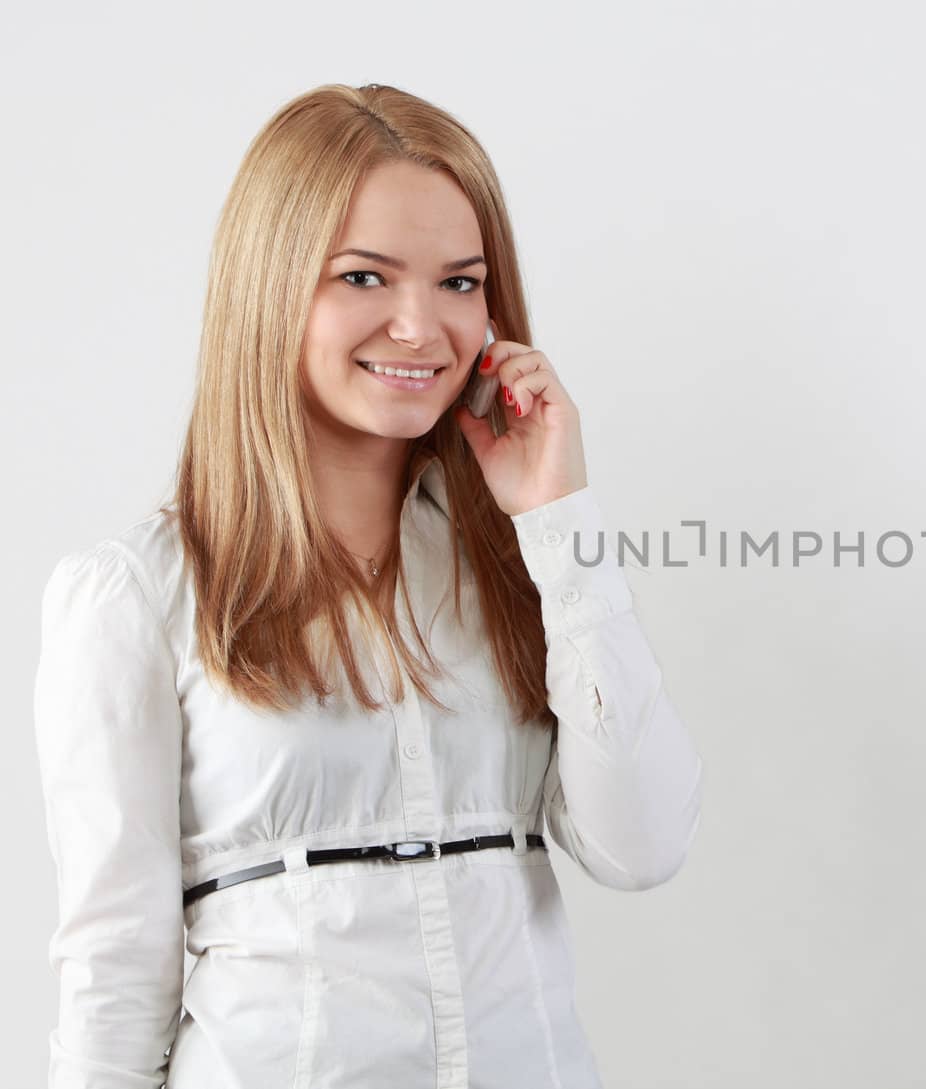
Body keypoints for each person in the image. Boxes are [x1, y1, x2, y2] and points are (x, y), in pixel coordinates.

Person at [33, 83, 702, 1089]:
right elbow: (111, 973)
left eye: (460, 283)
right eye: (363, 277)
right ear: (270, 286)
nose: (419, 328)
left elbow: (641, 847)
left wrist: (557, 516)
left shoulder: (522, 561)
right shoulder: (136, 596)